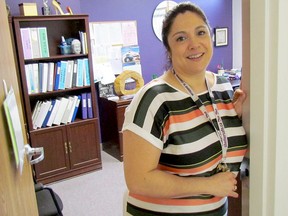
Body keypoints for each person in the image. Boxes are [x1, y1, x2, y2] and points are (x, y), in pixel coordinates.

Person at [122, 2, 247, 215]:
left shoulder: (224, 87)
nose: (194, 44)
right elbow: (138, 180)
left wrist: (241, 122)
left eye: (201, 32)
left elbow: (227, 151)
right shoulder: (153, 98)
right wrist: (207, 185)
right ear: (168, 49)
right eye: (181, 38)